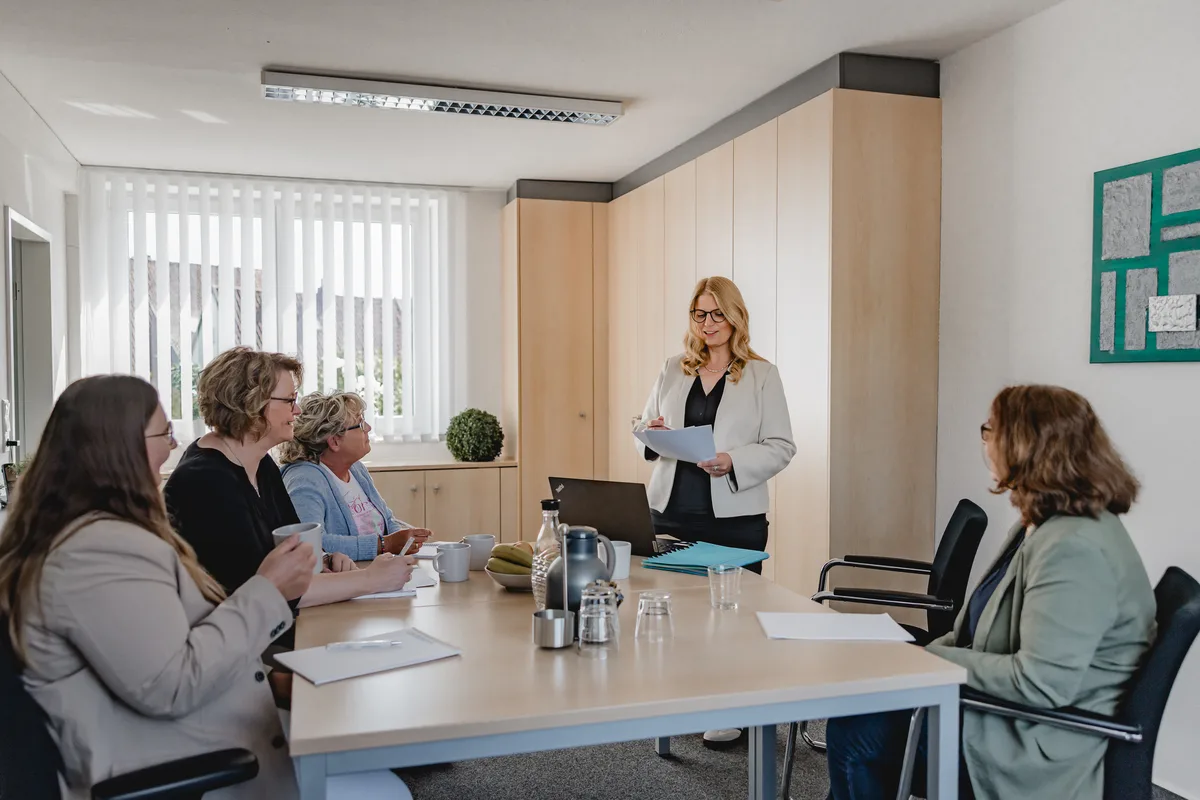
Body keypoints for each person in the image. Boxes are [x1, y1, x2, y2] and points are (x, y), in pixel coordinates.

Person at [825, 385, 1156, 800]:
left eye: (990, 431)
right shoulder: (1041, 522)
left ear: (1025, 445)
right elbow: (974, 631)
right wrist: (913, 662)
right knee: (859, 709)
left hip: (1037, 742)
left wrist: (929, 658)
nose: (985, 444)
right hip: (1007, 714)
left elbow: (1040, 684)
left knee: (857, 732)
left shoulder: (1075, 547)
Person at [0, 375, 314, 799]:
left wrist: (272, 680)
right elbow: (173, 684)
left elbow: (165, 650)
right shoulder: (97, 551)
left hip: (200, 735)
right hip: (189, 764)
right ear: (119, 448)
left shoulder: (93, 535)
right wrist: (268, 589)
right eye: (163, 433)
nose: (172, 446)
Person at [637, 276, 796, 748]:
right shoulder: (673, 368)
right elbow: (642, 423)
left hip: (733, 514)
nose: (708, 324)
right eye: (699, 314)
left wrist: (733, 460)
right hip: (670, 508)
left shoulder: (762, 375)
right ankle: (682, 698)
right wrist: (654, 430)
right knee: (677, 613)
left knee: (730, 615)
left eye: (717, 314)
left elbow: (782, 446)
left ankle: (733, 707)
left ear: (735, 317)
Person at [164, 347, 416, 644]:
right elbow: (269, 590)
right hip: (239, 651)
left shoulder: (260, 463)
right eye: (290, 401)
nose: (297, 411)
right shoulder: (204, 481)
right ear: (252, 404)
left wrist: (324, 559)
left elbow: (292, 552)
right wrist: (371, 579)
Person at [279, 391, 432, 560]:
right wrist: (383, 545)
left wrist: (404, 542)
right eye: (359, 424)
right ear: (335, 441)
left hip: (380, 570)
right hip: (349, 578)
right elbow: (313, 544)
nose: (368, 428)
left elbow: (387, 519)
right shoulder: (304, 479)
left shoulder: (356, 469)